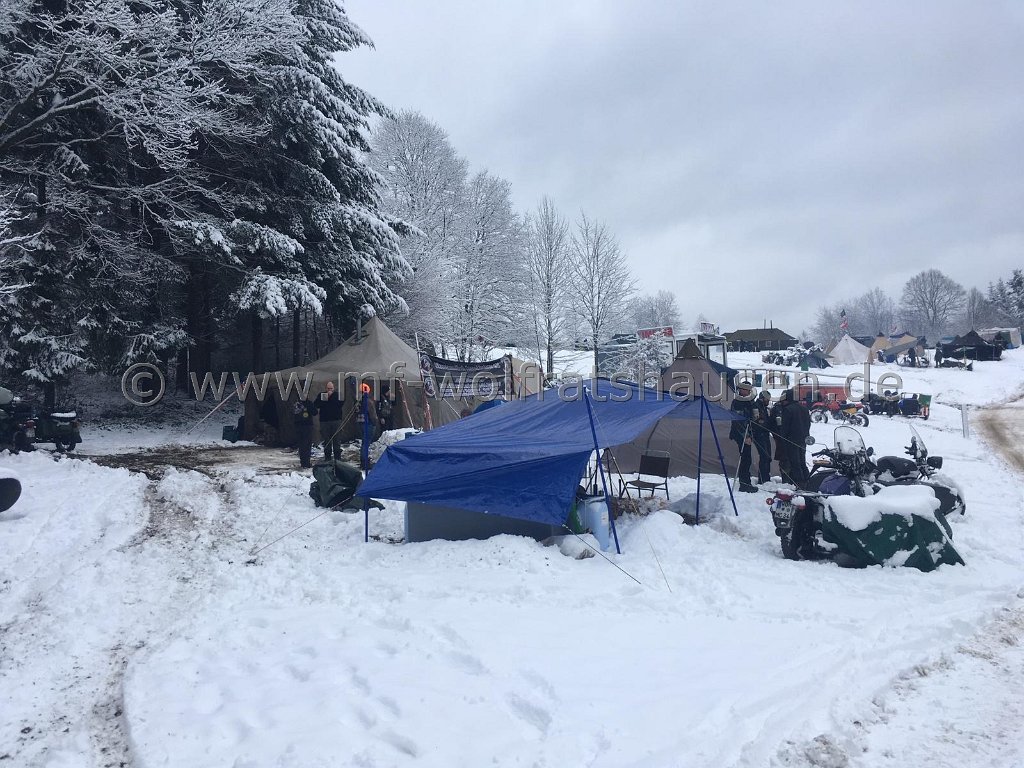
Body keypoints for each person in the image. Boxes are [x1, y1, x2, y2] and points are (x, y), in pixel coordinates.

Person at [776, 388, 811, 487]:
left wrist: (783, 437)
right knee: (802, 461)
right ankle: (808, 480)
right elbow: (808, 424)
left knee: (795, 463)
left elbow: (785, 426)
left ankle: (799, 483)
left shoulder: (788, 409)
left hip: (791, 440)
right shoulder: (804, 409)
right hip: (803, 439)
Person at [728, 381, 757, 492]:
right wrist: (746, 436)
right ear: (742, 390)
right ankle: (744, 484)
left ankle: (746, 482)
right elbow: (738, 421)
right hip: (741, 435)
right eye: (747, 390)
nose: (749, 392)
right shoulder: (737, 402)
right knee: (745, 459)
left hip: (747, 433)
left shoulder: (748, 401)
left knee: (747, 459)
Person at [314, 379, 343, 461]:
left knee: (337, 439)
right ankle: (327, 457)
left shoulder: (338, 395)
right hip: (324, 421)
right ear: (325, 388)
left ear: (333, 388)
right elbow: (316, 405)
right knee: (326, 440)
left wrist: (331, 397)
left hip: (336, 420)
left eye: (331, 388)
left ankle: (337, 458)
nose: (329, 390)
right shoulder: (321, 395)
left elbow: (340, 404)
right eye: (328, 388)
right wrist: (324, 399)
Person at [751, 390, 775, 484]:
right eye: (767, 399)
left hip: (765, 434)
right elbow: (756, 421)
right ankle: (762, 478)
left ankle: (766, 477)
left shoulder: (764, 407)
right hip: (758, 434)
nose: (768, 401)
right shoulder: (756, 406)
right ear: (762, 398)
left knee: (768, 456)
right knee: (764, 455)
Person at [292, 393, 316, 469]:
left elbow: (315, 412)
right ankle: (304, 463)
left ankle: (305, 462)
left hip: (305, 425)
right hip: (302, 426)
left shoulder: (307, 403)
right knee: (304, 445)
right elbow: (295, 413)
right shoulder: (298, 404)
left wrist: (309, 405)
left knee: (305, 445)